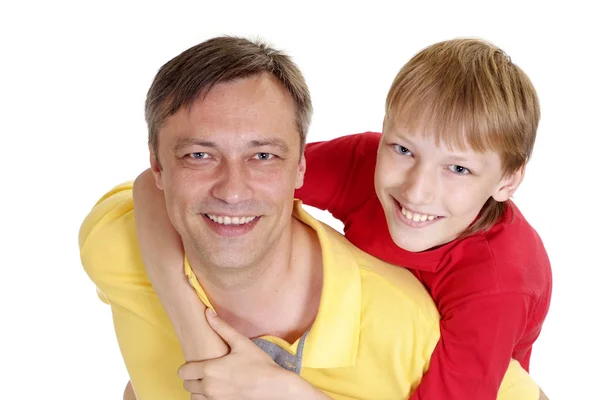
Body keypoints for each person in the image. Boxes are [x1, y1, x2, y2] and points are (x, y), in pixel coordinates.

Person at [80, 36, 545, 400]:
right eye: (403, 148)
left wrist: (282, 390)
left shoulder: (496, 286)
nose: (416, 189)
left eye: (459, 168)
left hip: (477, 348)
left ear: (506, 183)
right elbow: (162, 185)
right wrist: (198, 342)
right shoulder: (363, 166)